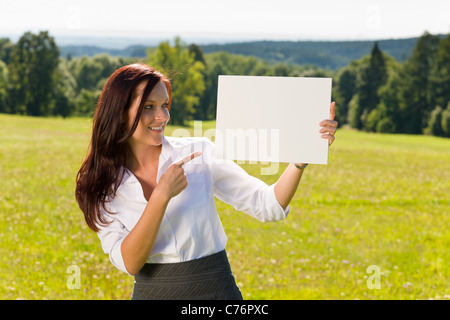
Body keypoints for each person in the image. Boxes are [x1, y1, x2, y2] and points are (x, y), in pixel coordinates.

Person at [75, 63, 338, 300]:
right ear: (120, 112)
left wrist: (300, 159)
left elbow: (267, 204)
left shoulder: (199, 153)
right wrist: (161, 195)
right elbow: (130, 262)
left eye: (165, 106)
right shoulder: (102, 183)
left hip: (217, 292)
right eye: (148, 107)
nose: (162, 117)